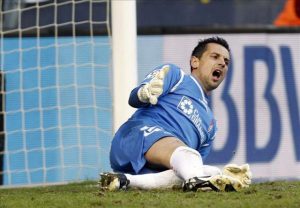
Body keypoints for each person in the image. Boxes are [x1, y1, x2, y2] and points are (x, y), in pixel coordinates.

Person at [99, 36, 252, 192]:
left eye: (226, 62)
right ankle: (200, 183)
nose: (222, 63)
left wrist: (222, 175)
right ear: (195, 62)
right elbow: (133, 99)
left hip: (156, 165)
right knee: (190, 159)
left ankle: (124, 181)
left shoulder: (210, 125)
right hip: (135, 137)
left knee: (207, 170)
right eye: (215, 57)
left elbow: (189, 166)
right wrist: (144, 93)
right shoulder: (176, 76)